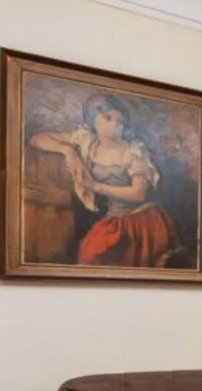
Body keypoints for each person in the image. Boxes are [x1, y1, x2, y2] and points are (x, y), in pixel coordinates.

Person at [28, 93, 180, 268]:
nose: (114, 124)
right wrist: (67, 151)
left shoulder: (134, 151)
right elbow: (36, 139)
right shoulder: (87, 141)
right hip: (114, 220)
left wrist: (94, 186)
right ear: (95, 120)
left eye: (119, 121)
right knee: (89, 255)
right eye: (108, 118)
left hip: (142, 223)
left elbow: (138, 193)